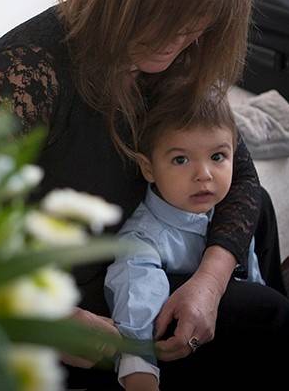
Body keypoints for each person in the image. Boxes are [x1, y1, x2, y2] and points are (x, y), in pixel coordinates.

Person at [0, 0, 289, 389]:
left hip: (156, 253)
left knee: (256, 228)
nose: (185, 36)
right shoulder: (21, 74)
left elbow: (241, 176)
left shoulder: (184, 50)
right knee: (271, 323)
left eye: (202, 19)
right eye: (171, 16)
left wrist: (209, 285)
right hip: (74, 303)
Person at [105, 93, 265, 390]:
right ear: (148, 168)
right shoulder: (141, 241)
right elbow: (135, 313)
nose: (203, 175)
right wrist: (141, 379)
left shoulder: (221, 210)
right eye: (181, 159)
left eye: (218, 156)